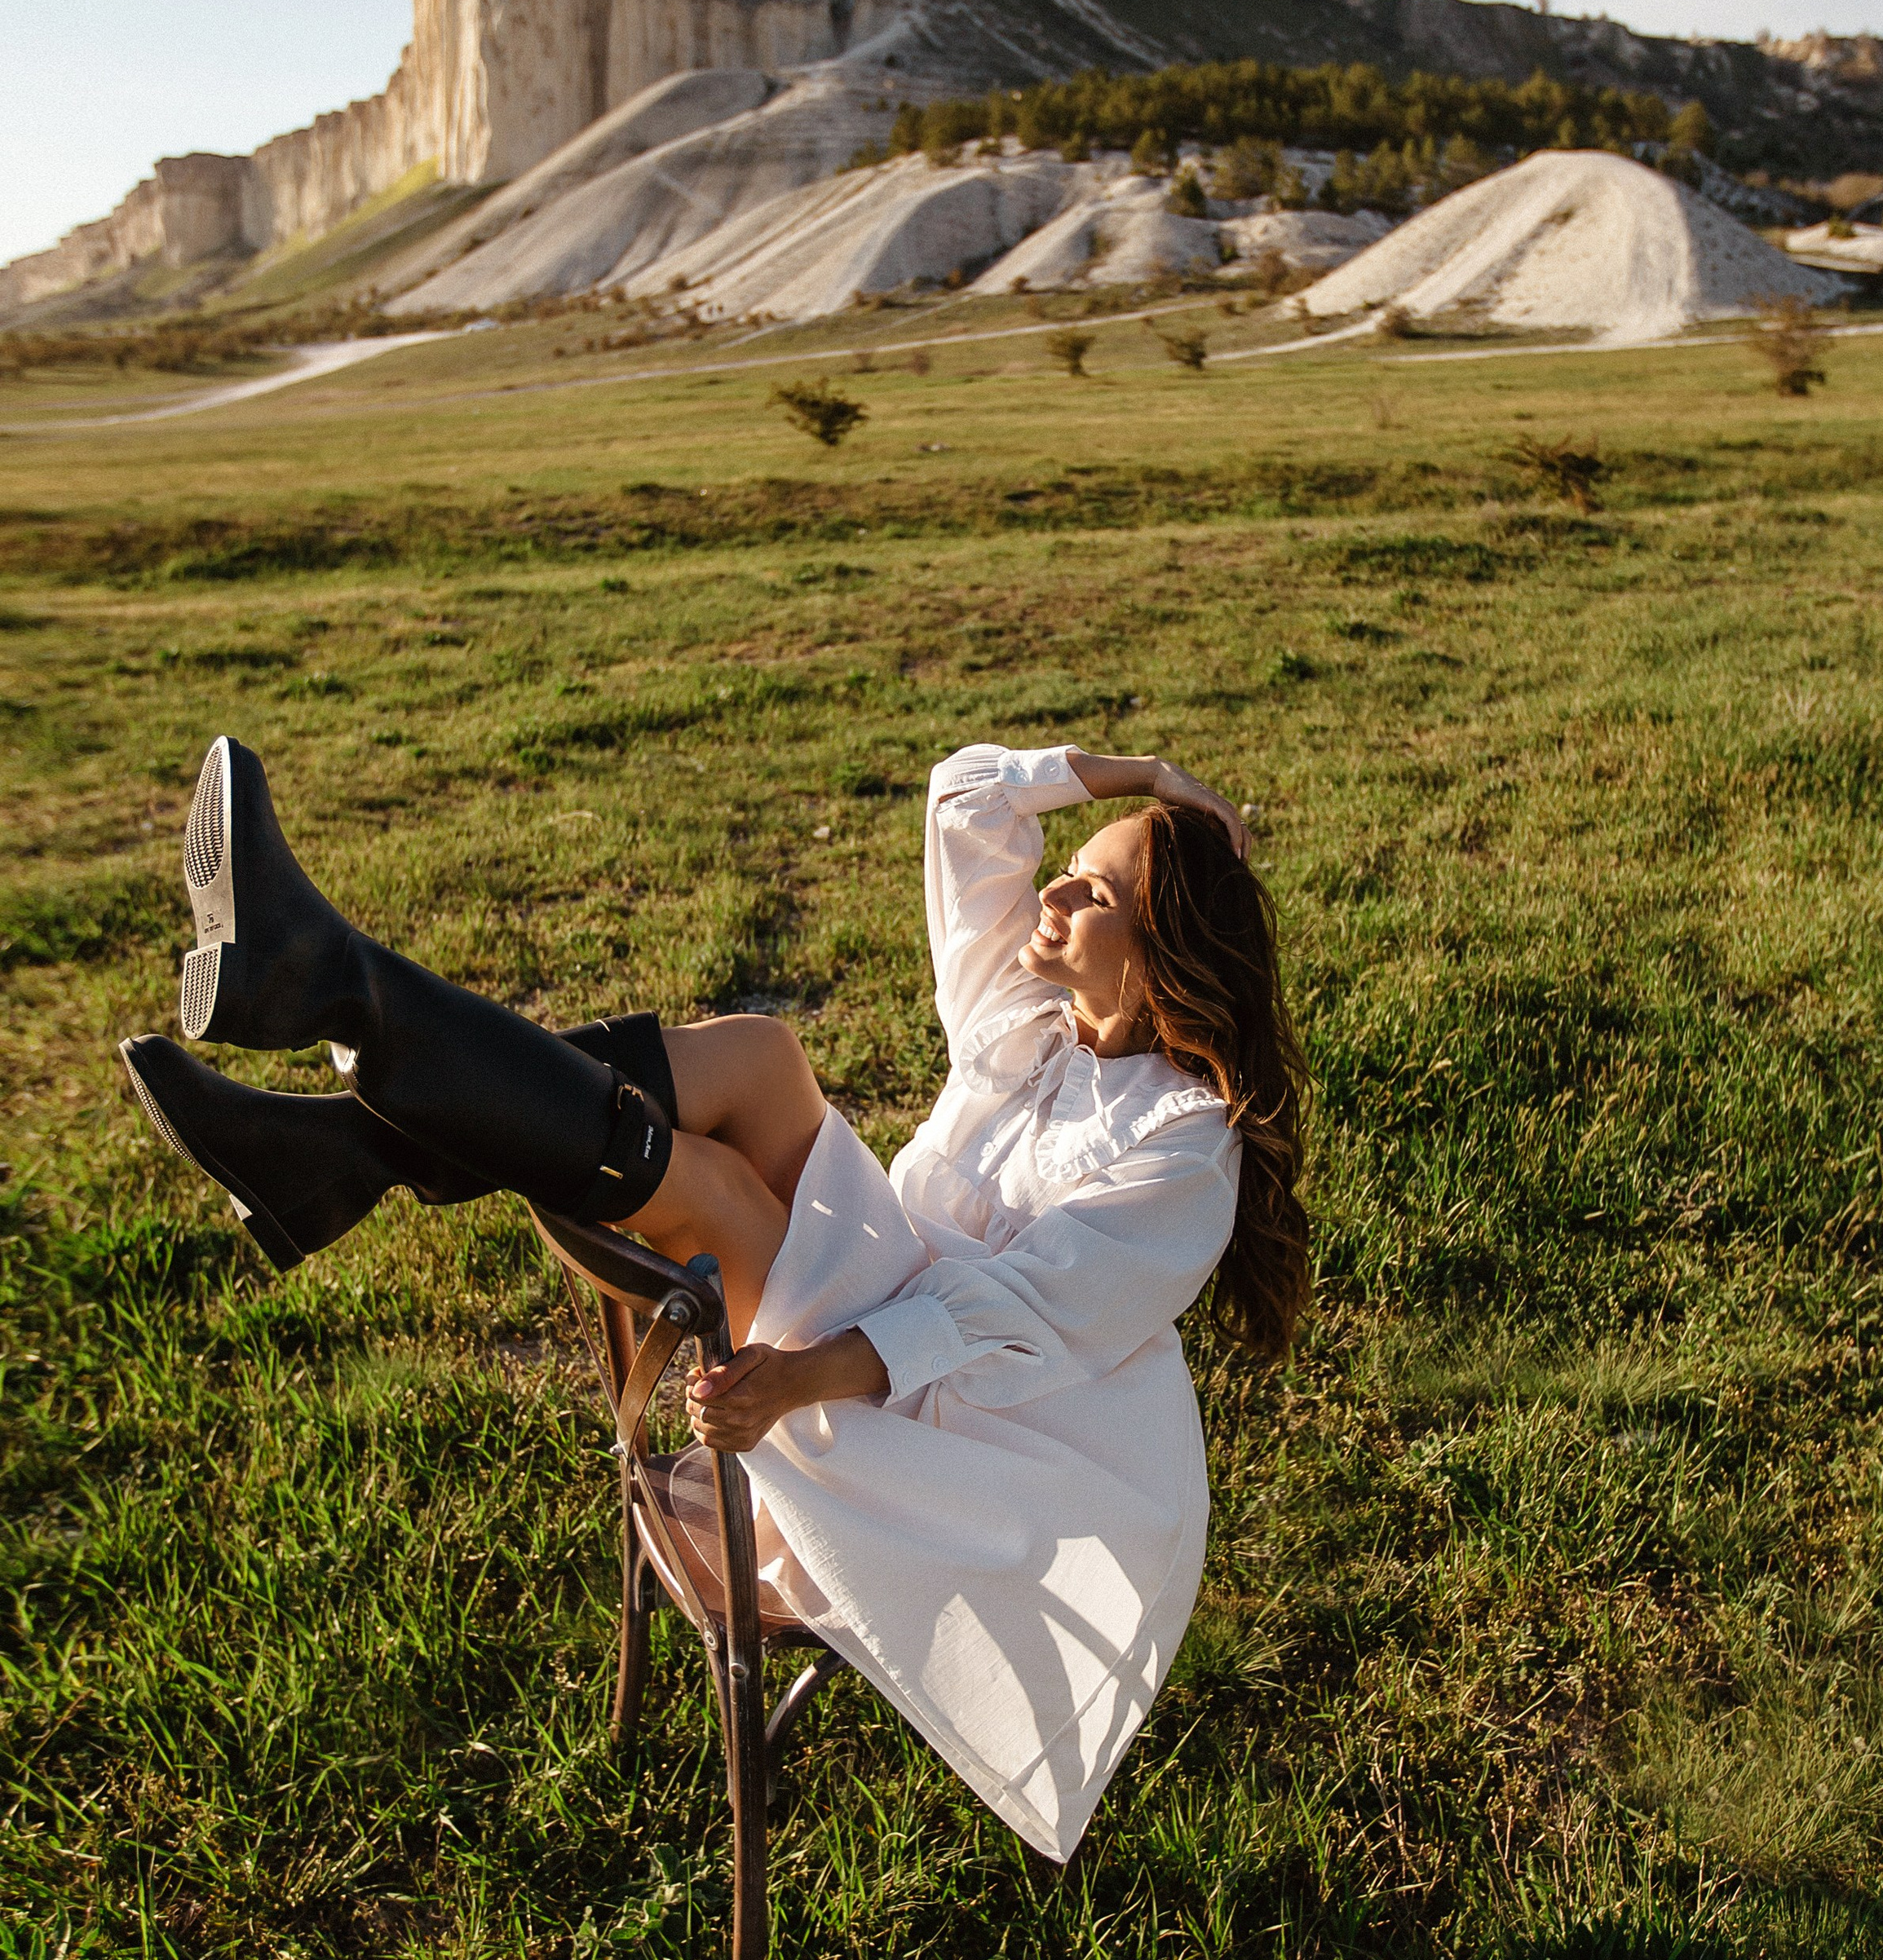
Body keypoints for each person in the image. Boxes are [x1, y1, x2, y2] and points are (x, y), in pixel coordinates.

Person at [122, 735, 1310, 1856]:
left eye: (1093, 895)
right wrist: (1139, 776)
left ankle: (335, 1119)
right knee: (760, 1060)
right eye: (1073, 869)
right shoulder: (1035, 1025)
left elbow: (1012, 1320)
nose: (1051, 891)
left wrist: (800, 1378)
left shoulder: (1183, 1152)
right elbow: (966, 798)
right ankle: (333, 1081)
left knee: (724, 1195)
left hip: (974, 1446)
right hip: (894, 1313)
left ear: (1164, 961)